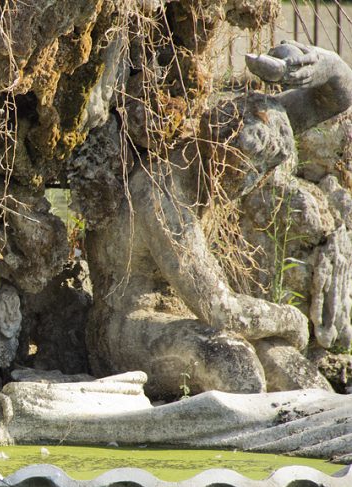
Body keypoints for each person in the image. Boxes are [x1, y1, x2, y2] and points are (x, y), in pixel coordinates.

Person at [87, 41, 352, 399]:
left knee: (295, 373)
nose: (249, 186)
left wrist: (326, 66)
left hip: (191, 316)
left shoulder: (249, 127)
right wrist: (292, 320)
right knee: (237, 366)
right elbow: (222, 310)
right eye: (245, 175)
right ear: (222, 155)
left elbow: (334, 99)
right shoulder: (161, 195)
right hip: (129, 327)